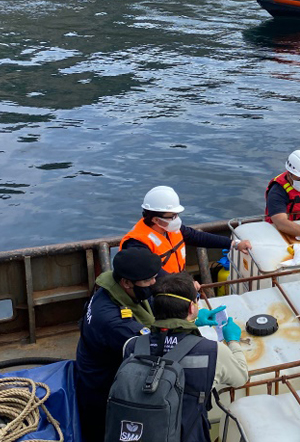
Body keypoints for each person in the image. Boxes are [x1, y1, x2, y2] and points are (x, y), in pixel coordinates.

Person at [121, 273, 249, 442]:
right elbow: (241, 377)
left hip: (138, 433)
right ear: (191, 307)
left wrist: (192, 323)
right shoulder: (213, 351)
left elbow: (164, 342)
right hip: (187, 433)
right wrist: (233, 341)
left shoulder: (132, 345)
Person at [75, 247, 161, 442]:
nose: (154, 283)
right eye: (148, 280)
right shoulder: (113, 321)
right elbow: (153, 348)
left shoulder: (111, 287)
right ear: (126, 283)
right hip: (101, 387)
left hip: (93, 359)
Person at [121, 185, 250, 274]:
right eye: (172, 216)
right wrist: (185, 286)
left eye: (177, 215)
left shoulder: (170, 229)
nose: (176, 219)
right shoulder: (136, 245)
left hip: (177, 285)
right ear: (155, 219)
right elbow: (153, 274)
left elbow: (198, 237)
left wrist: (234, 244)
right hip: (157, 295)